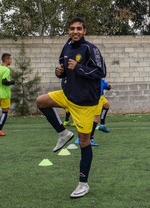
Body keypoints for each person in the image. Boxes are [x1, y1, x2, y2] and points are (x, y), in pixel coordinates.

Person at [36, 18, 107, 199]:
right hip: (68, 95)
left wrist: (79, 67)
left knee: (84, 142)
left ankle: (83, 184)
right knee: (41, 101)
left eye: (79, 29)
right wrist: (59, 72)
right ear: (69, 31)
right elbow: (63, 68)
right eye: (72, 29)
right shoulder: (67, 46)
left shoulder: (91, 49)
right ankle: (63, 133)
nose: (75, 31)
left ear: (84, 30)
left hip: (85, 104)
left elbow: (101, 72)